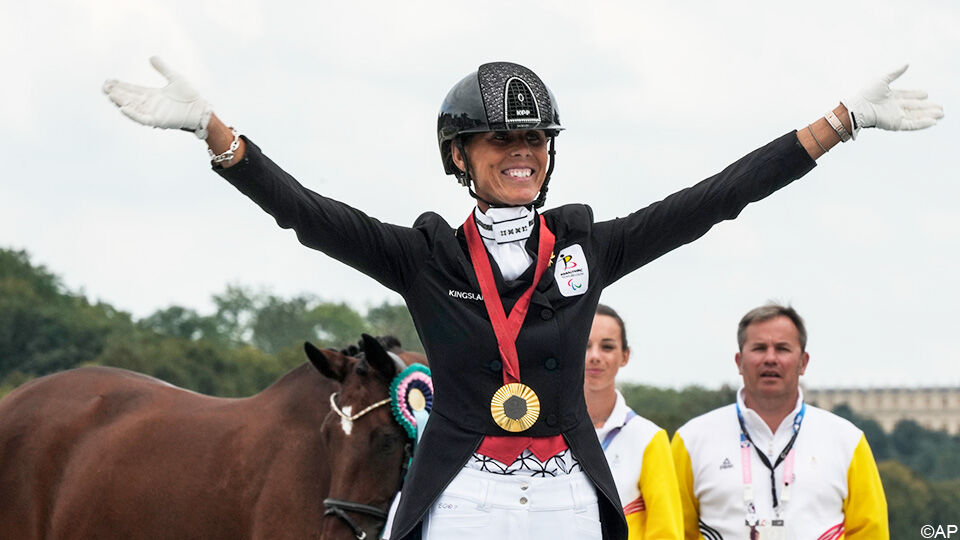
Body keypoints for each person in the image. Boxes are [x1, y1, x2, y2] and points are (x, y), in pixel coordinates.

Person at [102, 59, 938, 540]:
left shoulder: (584, 246)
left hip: (570, 493)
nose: (522, 153)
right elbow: (304, 215)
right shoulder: (425, 255)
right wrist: (217, 135)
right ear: (459, 155)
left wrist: (838, 124)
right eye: (502, 139)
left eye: (535, 139)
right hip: (462, 495)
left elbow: (716, 197)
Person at [670, 304, 888, 540]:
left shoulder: (847, 440)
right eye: (759, 348)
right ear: (739, 361)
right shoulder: (691, 439)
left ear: (803, 362)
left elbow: (870, 532)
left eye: (782, 349)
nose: (770, 358)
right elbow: (673, 530)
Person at [585, 305, 683, 539]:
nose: (595, 356)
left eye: (607, 346)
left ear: (625, 356)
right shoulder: (548, 433)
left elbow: (667, 533)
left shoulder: (649, 438)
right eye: (585, 345)